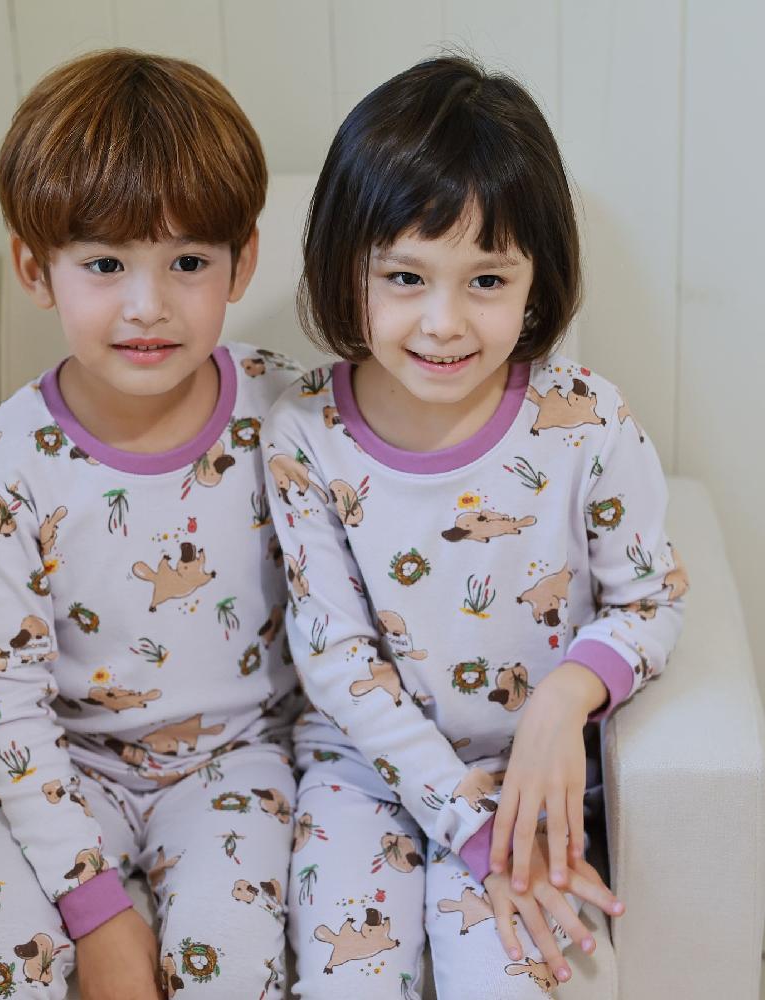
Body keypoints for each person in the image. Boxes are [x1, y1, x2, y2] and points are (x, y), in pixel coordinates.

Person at [262, 55, 686, 998]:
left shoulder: (587, 421)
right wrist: (468, 828)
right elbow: (336, 658)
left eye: (486, 279)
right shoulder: (304, 434)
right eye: (405, 277)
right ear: (346, 269)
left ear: (537, 281)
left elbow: (652, 597)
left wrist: (566, 695)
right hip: (363, 774)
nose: (444, 322)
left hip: (523, 777)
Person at [0, 49, 305, 1000]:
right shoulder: (9, 456)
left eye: (188, 263)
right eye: (105, 265)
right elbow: (5, 694)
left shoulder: (286, 413)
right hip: (67, 766)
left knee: (234, 968)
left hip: (236, 762)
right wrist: (95, 907)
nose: (149, 306)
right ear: (37, 269)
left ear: (241, 262)